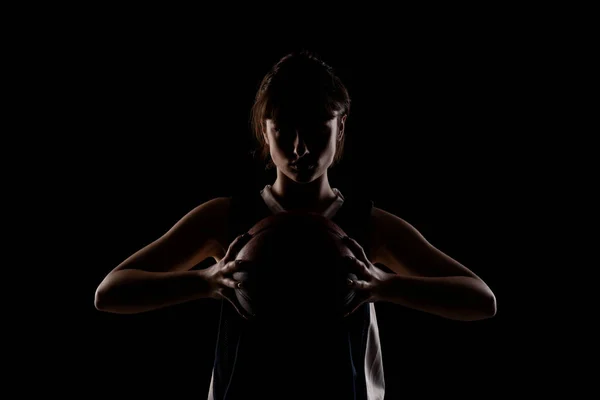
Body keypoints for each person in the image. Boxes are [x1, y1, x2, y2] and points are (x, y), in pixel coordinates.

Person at [94, 50, 497, 400]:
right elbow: (111, 291)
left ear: (340, 128)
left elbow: (481, 299)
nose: (300, 147)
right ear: (264, 131)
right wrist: (208, 281)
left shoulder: (368, 226)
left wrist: (384, 285)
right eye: (284, 130)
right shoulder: (226, 218)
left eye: (317, 128)